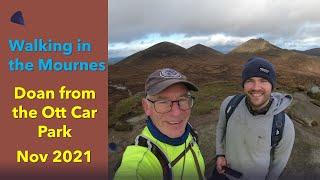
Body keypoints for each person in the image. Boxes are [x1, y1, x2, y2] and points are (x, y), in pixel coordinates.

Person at [115, 68, 205, 180]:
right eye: (163, 102)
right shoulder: (141, 159)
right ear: (146, 107)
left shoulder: (190, 131)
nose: (176, 113)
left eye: (182, 99)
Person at [215, 57, 295, 180]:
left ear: (272, 86)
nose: (256, 87)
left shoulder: (284, 125)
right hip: (224, 173)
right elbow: (221, 128)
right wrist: (220, 154)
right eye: (250, 80)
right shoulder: (229, 104)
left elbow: (279, 164)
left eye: (263, 80)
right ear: (243, 84)